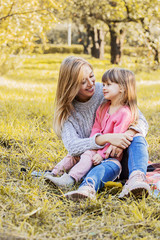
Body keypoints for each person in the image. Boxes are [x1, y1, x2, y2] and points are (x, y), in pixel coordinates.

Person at [44, 56, 150, 199]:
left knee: (137, 136)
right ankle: (78, 184)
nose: (91, 83)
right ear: (71, 86)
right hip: (91, 162)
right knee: (93, 163)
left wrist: (125, 136)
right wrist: (107, 139)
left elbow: (140, 120)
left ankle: (136, 179)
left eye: (92, 76)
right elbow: (72, 147)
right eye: (82, 82)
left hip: (121, 158)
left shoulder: (106, 91)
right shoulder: (68, 112)